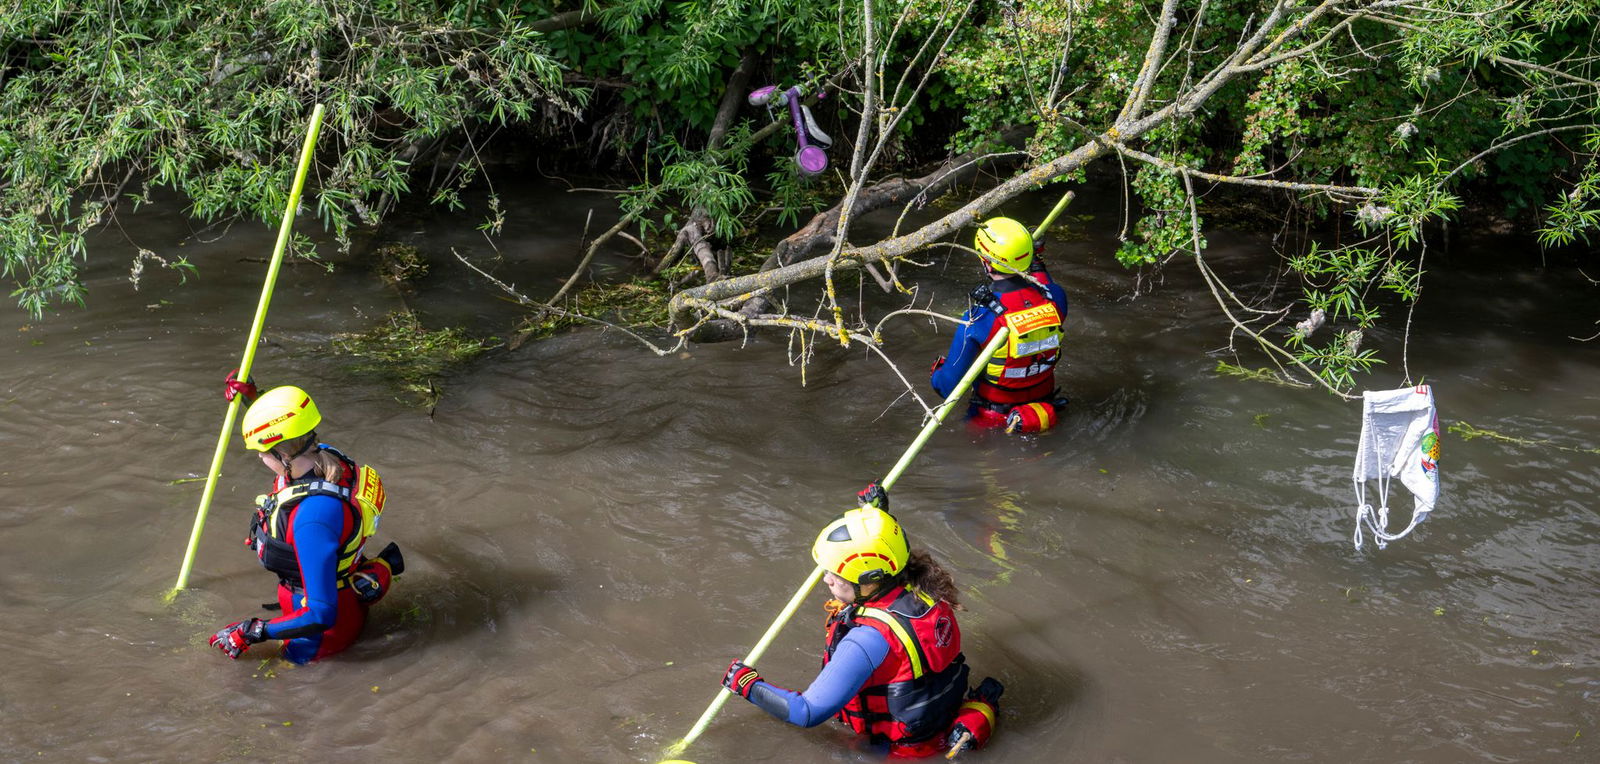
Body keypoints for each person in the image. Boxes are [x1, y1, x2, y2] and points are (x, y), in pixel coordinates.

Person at [721, 486, 1003, 758]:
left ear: (868, 580)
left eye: (834, 573)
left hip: (898, 748)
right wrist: (877, 518)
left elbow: (806, 712)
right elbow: (888, 549)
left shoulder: (868, 639)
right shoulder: (928, 591)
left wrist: (746, 683)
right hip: (934, 717)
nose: (826, 578)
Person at [208, 381, 404, 664]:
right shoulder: (325, 455)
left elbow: (321, 614)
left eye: (261, 452)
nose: (260, 458)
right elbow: (289, 429)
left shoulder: (314, 519)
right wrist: (253, 399)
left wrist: (252, 631)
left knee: (293, 687)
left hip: (322, 636)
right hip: (338, 596)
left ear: (282, 454)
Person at [930, 216, 1070, 433]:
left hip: (993, 423)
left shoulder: (978, 318)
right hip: (1044, 410)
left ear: (986, 261)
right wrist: (1036, 261)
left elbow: (948, 388)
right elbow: (1043, 282)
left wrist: (937, 373)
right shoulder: (1056, 299)